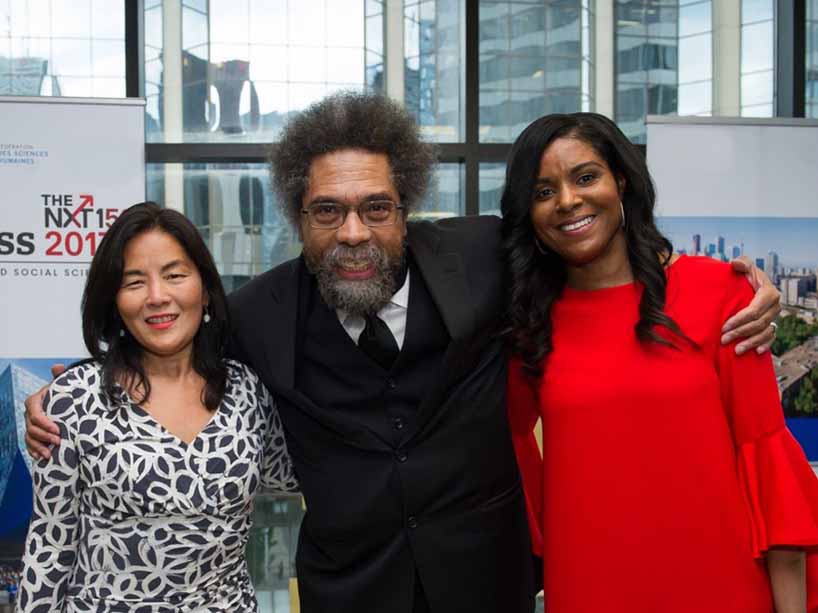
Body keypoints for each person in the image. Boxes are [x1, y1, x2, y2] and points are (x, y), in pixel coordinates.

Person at [24, 93, 781, 613]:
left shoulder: (486, 258)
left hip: (489, 582)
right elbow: (168, 335)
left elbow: (595, 248)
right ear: (298, 217)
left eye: (375, 208)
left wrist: (735, 284)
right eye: (328, 211)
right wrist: (73, 389)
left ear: (407, 207)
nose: (353, 232)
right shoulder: (258, 313)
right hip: (349, 591)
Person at [502, 112, 818, 612]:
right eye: (543, 192)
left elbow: (767, 465)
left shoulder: (721, 293)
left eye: (586, 177)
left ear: (621, 181)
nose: (567, 201)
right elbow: (509, 457)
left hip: (722, 588)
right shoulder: (527, 328)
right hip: (590, 589)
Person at [17, 203, 298, 612]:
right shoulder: (72, 400)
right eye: (134, 282)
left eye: (175, 275)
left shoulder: (246, 389)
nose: (157, 297)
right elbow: (50, 544)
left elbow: (295, 475)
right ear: (113, 301)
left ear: (204, 289)